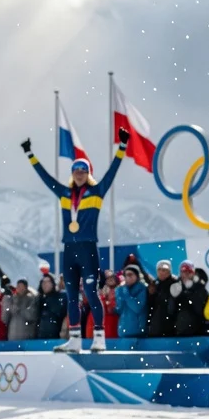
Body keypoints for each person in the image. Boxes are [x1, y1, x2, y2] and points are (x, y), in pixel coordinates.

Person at [22, 131, 129, 353]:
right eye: (76, 171)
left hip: (88, 248)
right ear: (72, 174)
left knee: (91, 294)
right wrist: (30, 154)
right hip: (69, 250)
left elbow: (113, 172)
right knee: (71, 297)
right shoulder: (63, 193)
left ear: (88, 174)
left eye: (83, 171)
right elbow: (45, 178)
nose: (80, 174)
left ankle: (99, 338)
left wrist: (122, 146)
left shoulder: (97, 191)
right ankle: (75, 340)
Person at [169, 260, 209, 338]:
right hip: (180, 333)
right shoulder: (176, 288)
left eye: (189, 272)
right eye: (184, 272)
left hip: (198, 334)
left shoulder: (200, 289)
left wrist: (191, 292)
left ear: (193, 274)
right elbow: (170, 311)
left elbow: (202, 311)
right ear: (180, 273)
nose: (186, 275)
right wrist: (173, 298)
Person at [113, 266, 147, 338]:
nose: (127, 277)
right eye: (125, 275)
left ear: (137, 276)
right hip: (123, 329)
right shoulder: (121, 289)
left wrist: (126, 295)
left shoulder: (142, 289)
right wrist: (118, 296)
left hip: (137, 331)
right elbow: (119, 309)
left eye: (130, 274)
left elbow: (137, 308)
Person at [147, 260, 178, 338]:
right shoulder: (154, 285)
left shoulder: (175, 284)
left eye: (164, 270)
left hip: (171, 327)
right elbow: (150, 307)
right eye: (159, 270)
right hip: (156, 327)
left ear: (169, 271)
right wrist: (151, 295)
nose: (161, 272)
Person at [35, 273, 67, 340]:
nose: (45, 284)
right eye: (43, 282)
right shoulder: (39, 299)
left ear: (53, 283)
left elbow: (64, 315)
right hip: (40, 338)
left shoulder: (61, 297)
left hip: (57, 337)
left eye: (48, 282)